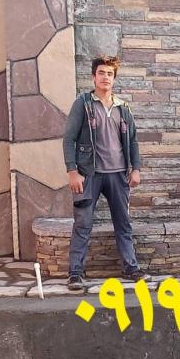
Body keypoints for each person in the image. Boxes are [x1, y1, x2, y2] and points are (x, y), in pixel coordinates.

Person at [63, 55, 147, 290]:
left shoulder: (123, 107)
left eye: (110, 74)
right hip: (89, 174)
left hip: (118, 175)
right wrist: (72, 171)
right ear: (94, 77)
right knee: (83, 223)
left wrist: (136, 169)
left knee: (123, 223)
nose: (105, 77)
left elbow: (133, 141)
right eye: (101, 73)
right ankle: (75, 273)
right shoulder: (83, 103)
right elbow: (69, 139)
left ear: (114, 78)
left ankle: (131, 267)